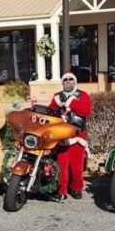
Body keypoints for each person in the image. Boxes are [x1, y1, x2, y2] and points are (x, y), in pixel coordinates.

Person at [45, 72, 93, 202]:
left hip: (78, 135)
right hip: (62, 136)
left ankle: (77, 188)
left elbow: (86, 110)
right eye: (65, 79)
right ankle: (62, 191)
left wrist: (71, 104)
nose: (68, 81)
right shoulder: (57, 97)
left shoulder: (82, 95)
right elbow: (50, 112)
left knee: (76, 166)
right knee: (62, 165)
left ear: (75, 81)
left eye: (71, 79)